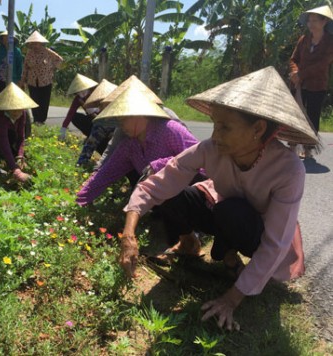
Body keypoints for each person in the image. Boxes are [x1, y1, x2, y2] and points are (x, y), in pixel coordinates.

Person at [118, 66, 320, 331]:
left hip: (253, 231)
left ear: (258, 128)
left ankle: (232, 257)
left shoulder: (288, 169)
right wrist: (128, 235)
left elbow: (274, 244)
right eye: (215, 125)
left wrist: (231, 299)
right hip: (221, 207)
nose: (215, 136)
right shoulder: (211, 149)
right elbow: (158, 183)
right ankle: (190, 243)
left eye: (225, 127)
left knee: (232, 211)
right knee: (176, 194)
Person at [76, 85, 200, 207]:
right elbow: (108, 172)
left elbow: (200, 158)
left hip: (193, 192)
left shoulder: (169, 129)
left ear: (139, 115)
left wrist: (160, 165)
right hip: (160, 196)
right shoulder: (129, 144)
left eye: (124, 120)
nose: (121, 125)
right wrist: (81, 198)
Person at [289, 5, 333, 159]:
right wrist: (295, 71)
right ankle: (292, 146)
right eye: (309, 21)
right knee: (295, 115)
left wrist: (301, 74)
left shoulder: (330, 42)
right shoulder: (304, 39)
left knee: (312, 117)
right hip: (299, 84)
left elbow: (323, 64)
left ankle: (308, 150)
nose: (311, 24)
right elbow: (294, 59)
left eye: (315, 20)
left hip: (317, 85)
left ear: (324, 22)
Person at [21, 30, 63, 125]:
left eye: (37, 43)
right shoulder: (29, 53)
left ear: (41, 43)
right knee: (34, 100)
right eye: (34, 43)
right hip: (32, 81)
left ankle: (42, 120)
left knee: (44, 101)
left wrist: (51, 67)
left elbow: (60, 60)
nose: (36, 45)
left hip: (46, 81)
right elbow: (25, 67)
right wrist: (22, 81)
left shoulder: (48, 52)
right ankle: (36, 120)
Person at [58, 73, 99, 141]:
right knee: (75, 117)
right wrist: (63, 129)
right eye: (78, 91)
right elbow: (70, 113)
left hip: (103, 119)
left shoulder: (96, 92)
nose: (81, 93)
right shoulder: (78, 99)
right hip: (91, 119)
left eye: (82, 90)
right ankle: (89, 134)